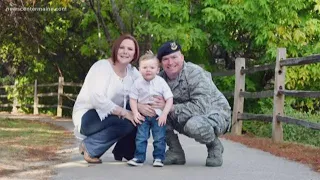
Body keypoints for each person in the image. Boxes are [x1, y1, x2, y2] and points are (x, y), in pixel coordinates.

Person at [138, 41, 231, 167]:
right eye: (166, 59)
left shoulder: (195, 73)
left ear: (182, 57)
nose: (170, 63)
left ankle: (214, 145)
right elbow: (142, 92)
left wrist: (169, 107)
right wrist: (140, 106)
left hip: (215, 114)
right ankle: (175, 151)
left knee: (194, 125)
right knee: (156, 114)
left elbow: (201, 107)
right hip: (185, 114)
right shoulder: (159, 79)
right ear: (160, 62)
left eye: (174, 57)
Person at [72, 34, 141, 163]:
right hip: (88, 118)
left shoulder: (132, 72)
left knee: (137, 116)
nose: (125, 52)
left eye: (130, 49)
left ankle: (123, 151)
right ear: (116, 49)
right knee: (127, 121)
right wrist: (125, 113)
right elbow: (97, 99)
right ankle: (90, 147)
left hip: (111, 116)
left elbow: (144, 90)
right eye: (122, 47)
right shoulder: (102, 67)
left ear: (135, 53)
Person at [127, 52, 173, 167]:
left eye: (152, 67)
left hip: (158, 117)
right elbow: (132, 99)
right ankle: (139, 157)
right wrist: (136, 112)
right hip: (143, 116)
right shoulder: (137, 83)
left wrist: (164, 114)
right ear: (139, 69)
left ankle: (158, 158)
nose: (148, 70)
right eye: (144, 67)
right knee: (141, 137)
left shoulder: (161, 82)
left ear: (157, 70)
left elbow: (170, 99)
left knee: (159, 138)